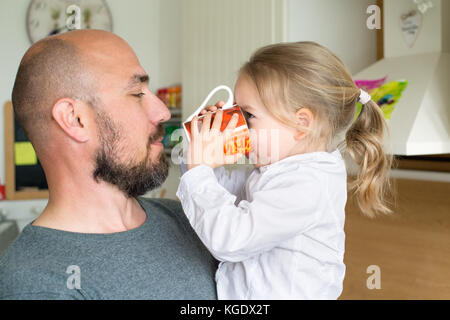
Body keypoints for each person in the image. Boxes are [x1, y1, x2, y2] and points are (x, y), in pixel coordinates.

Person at [0, 30, 217, 300]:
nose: (162, 112)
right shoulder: (37, 283)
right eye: (137, 93)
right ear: (75, 119)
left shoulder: (197, 220)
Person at [176, 42, 393, 299]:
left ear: (301, 124)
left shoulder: (307, 184)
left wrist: (198, 171)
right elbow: (222, 190)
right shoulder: (277, 167)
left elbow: (231, 239)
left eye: (248, 116)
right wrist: (197, 148)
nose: (239, 125)